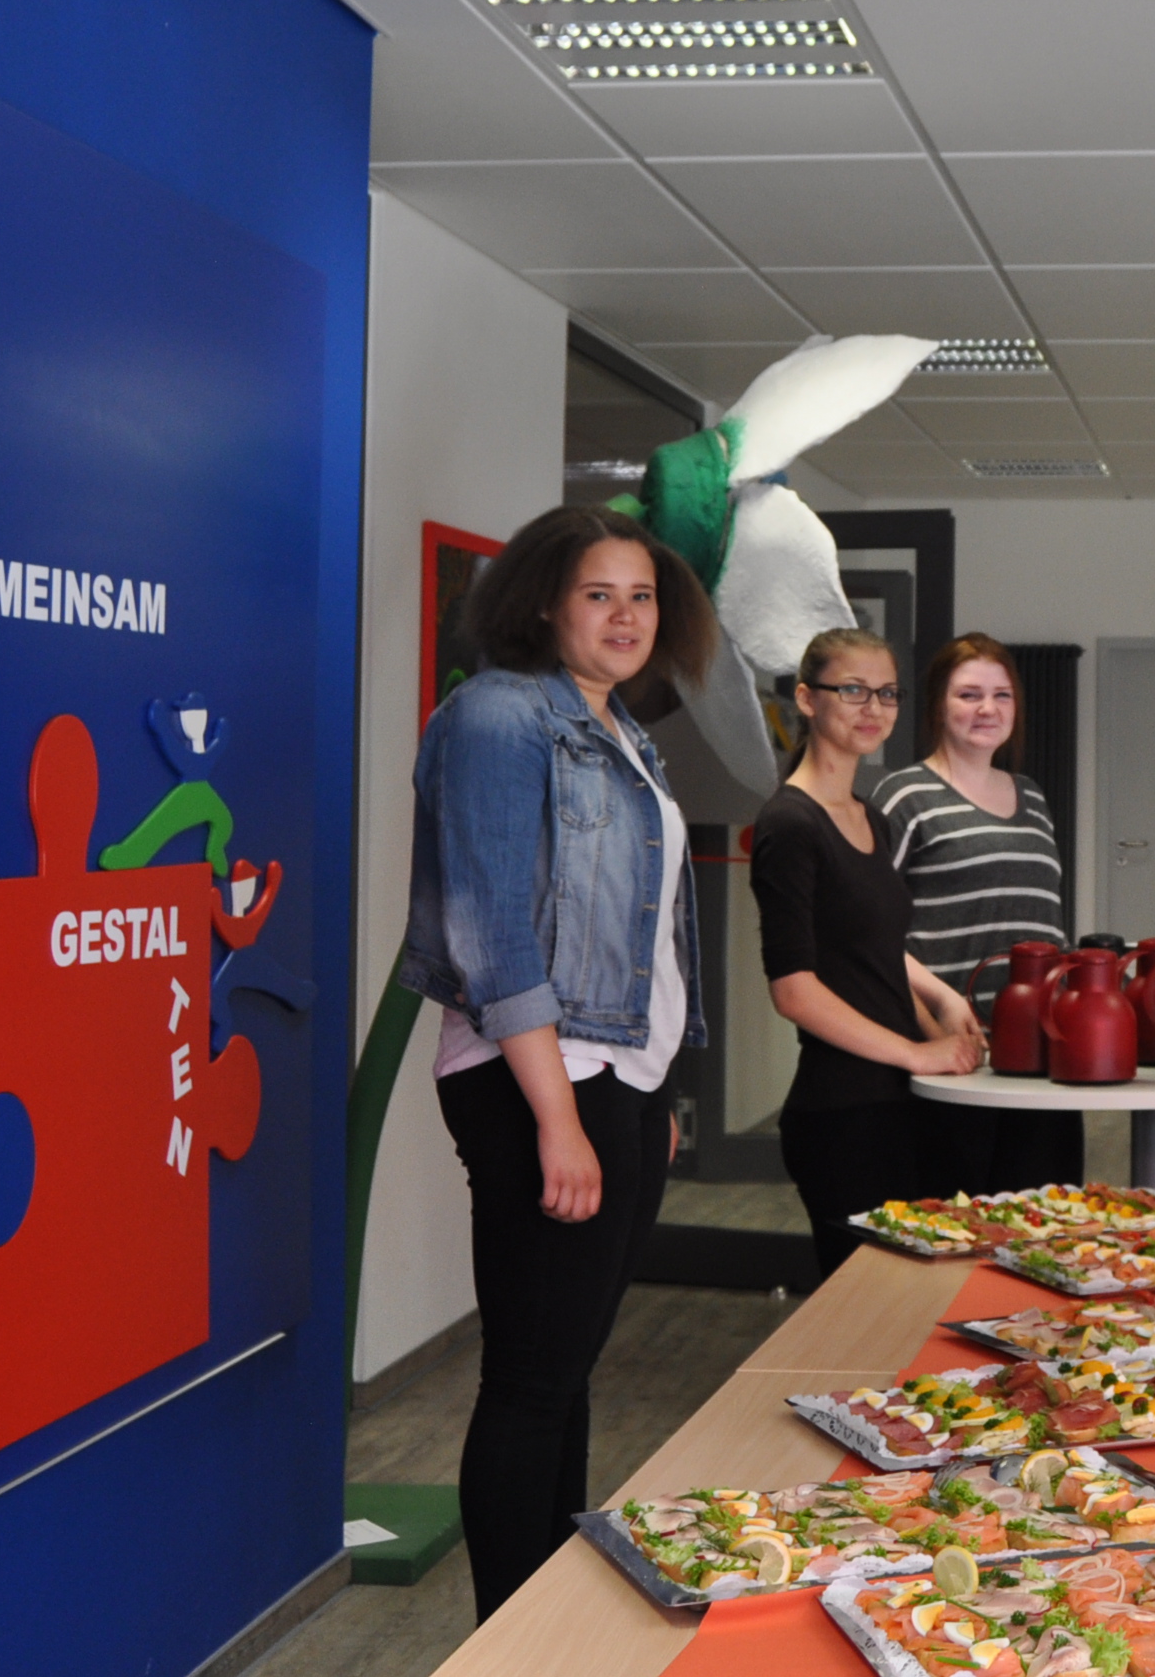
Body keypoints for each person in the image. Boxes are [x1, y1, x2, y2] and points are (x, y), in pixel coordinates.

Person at [396, 505, 714, 1620]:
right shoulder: (497, 715)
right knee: (532, 1380)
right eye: (599, 594)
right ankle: (510, 1639)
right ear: (543, 603)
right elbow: (491, 926)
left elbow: (643, 936)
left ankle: (550, 1617)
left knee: (568, 1370)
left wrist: (649, 1092)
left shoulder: (622, 729)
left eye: (643, 597)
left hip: (611, 1076)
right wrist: (559, 1117)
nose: (627, 617)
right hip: (539, 1077)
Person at [753, 628, 987, 1274]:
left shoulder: (869, 816)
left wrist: (941, 1019)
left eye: (887, 693)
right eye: (852, 690)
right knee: (865, 1309)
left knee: (919, 1298)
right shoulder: (790, 823)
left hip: (900, 1101)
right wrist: (915, 1052)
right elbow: (793, 990)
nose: (873, 708)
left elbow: (875, 954)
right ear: (807, 699)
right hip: (842, 1112)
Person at [873, 634, 1082, 1191]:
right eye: (969, 695)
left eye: (1001, 695)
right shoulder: (905, 796)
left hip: (1041, 1055)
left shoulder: (1032, 796)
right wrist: (941, 1000)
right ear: (938, 706)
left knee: (1049, 1218)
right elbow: (866, 929)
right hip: (954, 1057)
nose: (987, 709)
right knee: (958, 1223)